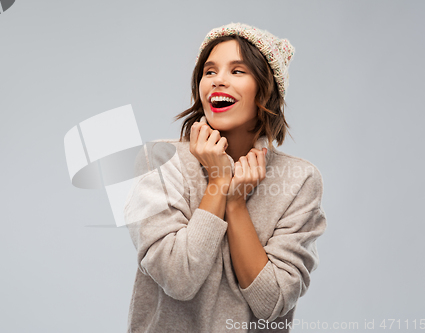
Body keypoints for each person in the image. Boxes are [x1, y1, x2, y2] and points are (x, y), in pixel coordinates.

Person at [123, 22, 327, 333]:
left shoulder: (299, 180)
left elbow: (271, 304)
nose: (219, 80)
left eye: (237, 71)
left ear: (266, 88)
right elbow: (178, 278)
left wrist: (235, 204)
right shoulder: (159, 162)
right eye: (209, 71)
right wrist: (219, 182)